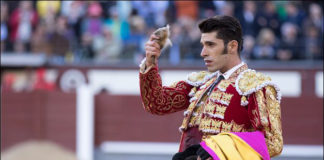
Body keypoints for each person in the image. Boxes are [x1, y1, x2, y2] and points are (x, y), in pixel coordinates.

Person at [139, 15, 283, 159]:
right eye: (203, 45)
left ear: (232, 46)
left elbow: (272, 142)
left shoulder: (255, 87)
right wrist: (151, 63)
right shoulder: (201, 83)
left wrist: (218, 149)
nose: (203, 53)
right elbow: (157, 104)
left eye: (211, 45)